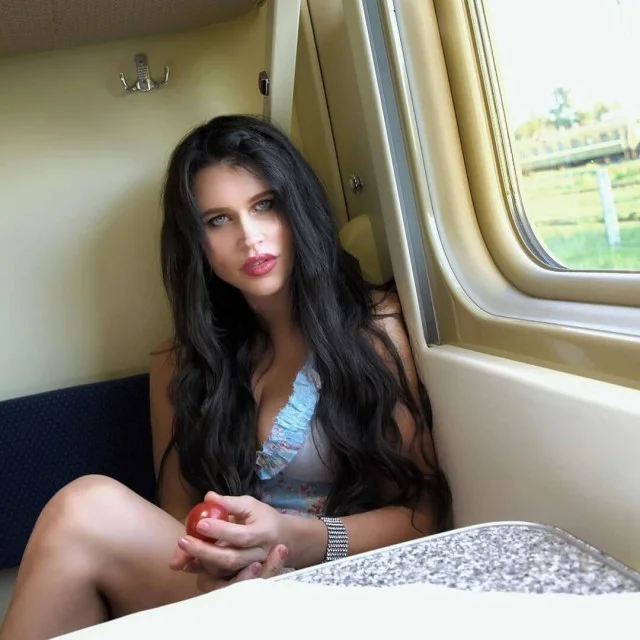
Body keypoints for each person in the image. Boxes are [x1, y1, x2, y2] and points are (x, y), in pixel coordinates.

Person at [0, 114, 452, 640]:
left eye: (264, 205)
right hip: (228, 590)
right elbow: (178, 516)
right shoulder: (181, 362)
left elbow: (424, 516)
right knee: (82, 508)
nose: (249, 238)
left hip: (338, 586)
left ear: (298, 207)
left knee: (84, 506)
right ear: (196, 242)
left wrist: (297, 538)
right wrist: (221, 563)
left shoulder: (375, 330)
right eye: (218, 220)